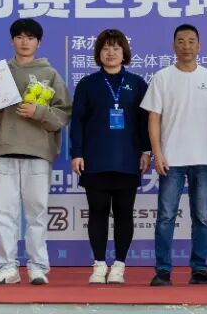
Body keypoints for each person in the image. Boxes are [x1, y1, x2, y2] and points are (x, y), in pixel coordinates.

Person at [0, 17, 71, 285]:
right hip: (5, 149)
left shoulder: (50, 74)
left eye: (30, 37)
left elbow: (63, 115)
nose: (24, 42)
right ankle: (6, 267)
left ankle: (37, 267)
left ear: (38, 43)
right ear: (12, 41)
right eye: (19, 37)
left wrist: (38, 111)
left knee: (37, 213)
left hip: (38, 152)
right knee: (4, 213)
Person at [142, 24, 207, 287]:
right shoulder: (162, 77)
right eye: (181, 41)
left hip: (203, 159)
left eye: (191, 41)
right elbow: (153, 118)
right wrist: (157, 153)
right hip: (171, 160)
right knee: (166, 217)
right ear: (174, 45)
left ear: (199, 46)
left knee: (201, 217)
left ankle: (199, 269)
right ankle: (163, 270)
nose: (186, 46)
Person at [70, 29, 150, 285]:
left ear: (124, 52)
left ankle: (119, 265)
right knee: (97, 212)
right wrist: (77, 153)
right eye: (106, 48)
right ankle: (99, 264)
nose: (111, 52)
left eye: (116, 48)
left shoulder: (137, 83)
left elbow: (145, 122)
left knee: (124, 213)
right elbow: (77, 121)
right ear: (99, 53)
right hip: (95, 160)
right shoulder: (88, 84)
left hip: (128, 159)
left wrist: (146, 151)